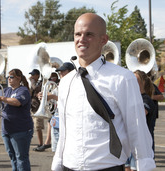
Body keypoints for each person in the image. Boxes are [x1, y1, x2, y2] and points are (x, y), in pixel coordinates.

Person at [51, 13, 155, 171]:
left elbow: (137, 128)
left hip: (108, 167)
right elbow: (65, 128)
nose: (82, 39)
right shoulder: (66, 82)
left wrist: (144, 165)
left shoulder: (122, 78)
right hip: (69, 166)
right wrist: (58, 163)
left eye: (89, 34)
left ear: (103, 40)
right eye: (78, 34)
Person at [0, 69, 33, 171]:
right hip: (7, 129)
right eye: (8, 77)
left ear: (18, 78)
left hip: (20, 129)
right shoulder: (6, 90)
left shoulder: (23, 90)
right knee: (12, 157)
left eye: (11, 77)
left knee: (21, 158)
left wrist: (2, 98)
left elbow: (17, 102)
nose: (9, 79)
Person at [125, 70, 156, 171]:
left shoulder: (146, 99)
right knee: (127, 168)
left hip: (142, 145)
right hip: (129, 143)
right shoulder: (132, 98)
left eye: (135, 80)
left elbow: (138, 115)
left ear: (143, 82)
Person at [49, 62, 75, 152]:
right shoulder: (59, 85)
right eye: (60, 72)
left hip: (69, 117)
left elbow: (71, 100)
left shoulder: (76, 85)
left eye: (63, 71)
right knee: (57, 148)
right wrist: (43, 95)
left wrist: (53, 97)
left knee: (67, 147)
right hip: (57, 115)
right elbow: (52, 98)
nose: (60, 73)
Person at [35, 72, 60, 152]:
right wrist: (42, 95)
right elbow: (52, 94)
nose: (61, 74)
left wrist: (51, 96)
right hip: (55, 114)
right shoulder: (56, 86)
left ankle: (47, 143)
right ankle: (47, 142)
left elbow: (63, 98)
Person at [29, 69, 45, 152]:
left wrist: (31, 81)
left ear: (37, 75)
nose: (32, 76)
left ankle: (41, 144)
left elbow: (35, 88)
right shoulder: (33, 83)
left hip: (38, 107)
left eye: (33, 75)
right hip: (33, 107)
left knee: (38, 127)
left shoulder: (40, 84)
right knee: (33, 126)